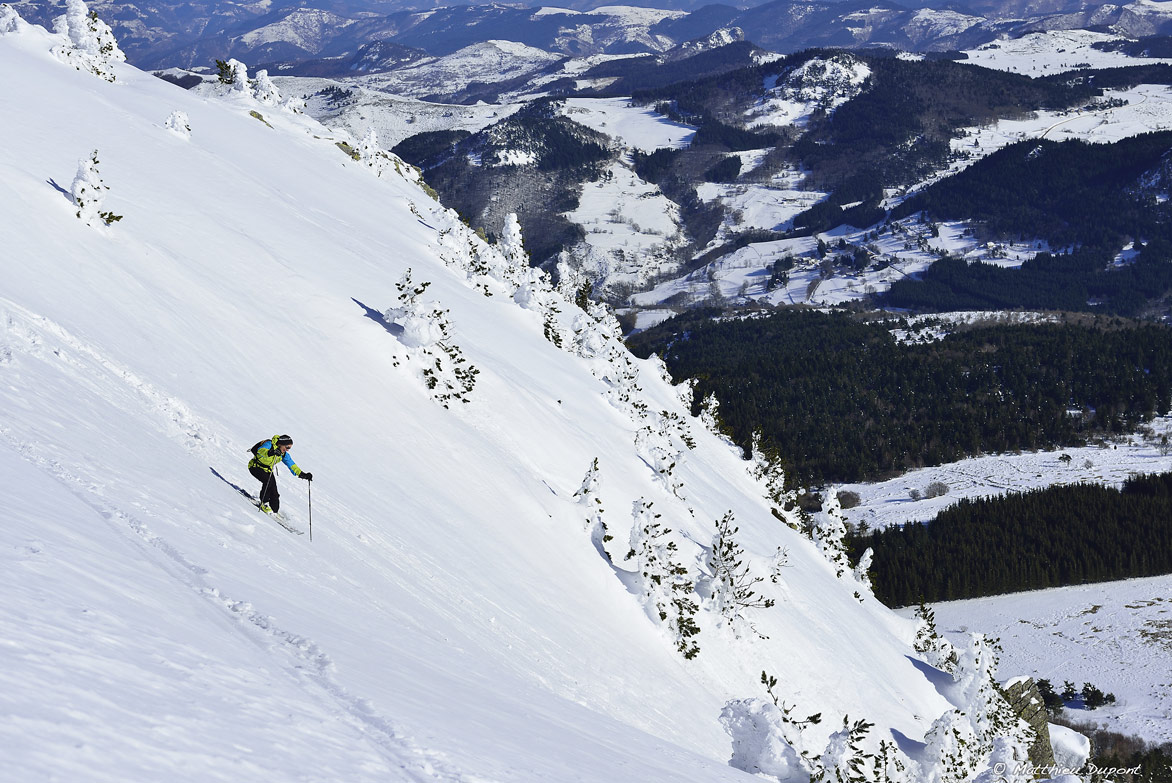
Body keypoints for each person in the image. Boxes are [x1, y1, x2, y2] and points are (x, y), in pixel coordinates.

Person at [248, 434, 313, 514]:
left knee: (274, 492)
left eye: (289, 448)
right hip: (255, 467)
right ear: (281, 444)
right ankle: (264, 503)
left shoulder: (283, 454)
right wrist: (271, 452)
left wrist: (302, 474)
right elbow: (261, 451)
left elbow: (292, 465)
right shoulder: (269, 444)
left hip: (267, 470)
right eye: (287, 447)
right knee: (268, 482)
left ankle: (275, 510)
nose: (288, 450)